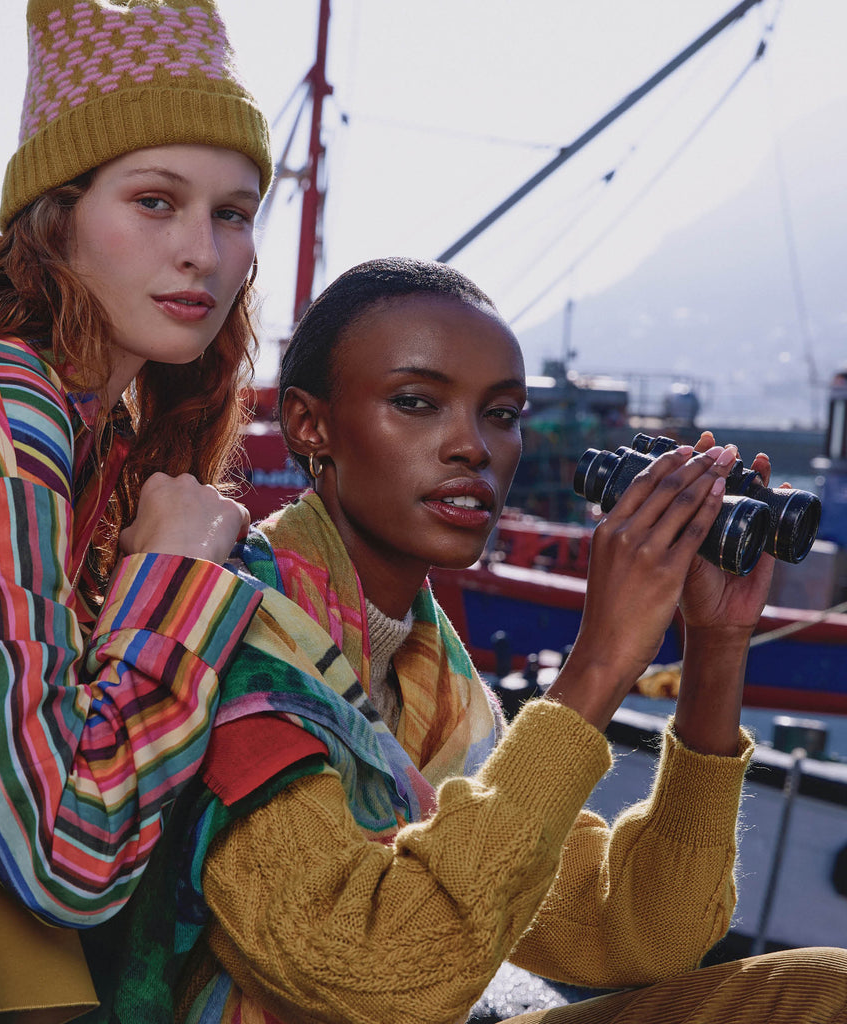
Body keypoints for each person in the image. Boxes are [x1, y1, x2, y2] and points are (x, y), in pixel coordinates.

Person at [80, 257, 847, 1024]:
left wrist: (717, 643)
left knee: (824, 987)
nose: (472, 447)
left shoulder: (434, 675)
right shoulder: (238, 640)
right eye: (416, 402)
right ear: (311, 425)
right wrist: (600, 663)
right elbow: (374, 977)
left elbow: (643, 933)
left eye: (502, 414)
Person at [0, 2, 273, 1021]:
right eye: (154, 201)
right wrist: (179, 581)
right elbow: (69, 850)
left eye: (233, 213)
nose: (201, 251)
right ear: (55, 216)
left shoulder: (85, 423)